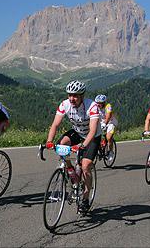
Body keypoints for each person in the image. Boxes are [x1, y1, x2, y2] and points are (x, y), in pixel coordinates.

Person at [46, 80, 101, 213]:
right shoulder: (65, 104)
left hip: (92, 137)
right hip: (77, 132)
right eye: (70, 95)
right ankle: (71, 170)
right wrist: (49, 141)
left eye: (75, 95)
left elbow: (93, 131)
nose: (72, 98)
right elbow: (55, 125)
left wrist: (82, 145)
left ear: (82, 96)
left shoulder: (92, 106)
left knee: (86, 166)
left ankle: (86, 198)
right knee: (61, 145)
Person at [94, 94, 118, 162]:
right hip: (101, 122)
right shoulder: (95, 107)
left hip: (111, 122)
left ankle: (110, 152)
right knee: (94, 135)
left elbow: (108, 116)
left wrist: (105, 123)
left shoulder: (108, 106)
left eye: (100, 103)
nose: (98, 105)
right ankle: (98, 150)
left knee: (109, 137)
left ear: (104, 103)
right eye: (97, 103)